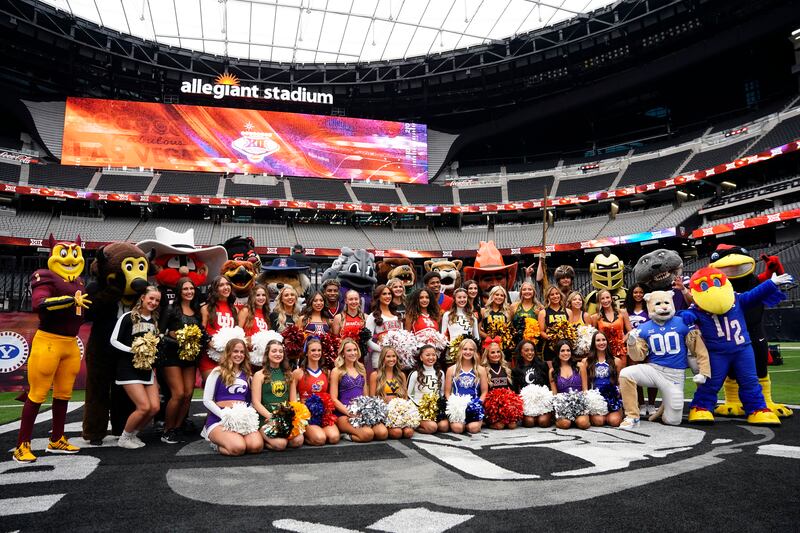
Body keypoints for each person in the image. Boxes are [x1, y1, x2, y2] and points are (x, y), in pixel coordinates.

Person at [112, 286, 162, 449]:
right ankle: (124, 438)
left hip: (147, 370)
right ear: (143, 297)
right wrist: (133, 350)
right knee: (144, 407)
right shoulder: (128, 317)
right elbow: (114, 340)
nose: (153, 302)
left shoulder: (154, 321)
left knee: (154, 407)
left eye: (157, 300)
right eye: (151, 298)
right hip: (128, 368)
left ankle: (133, 434)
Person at [202, 338, 263, 456]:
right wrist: (224, 415)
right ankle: (217, 444)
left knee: (256, 446)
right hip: (219, 419)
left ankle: (233, 438)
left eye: (242, 352)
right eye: (235, 351)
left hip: (241, 420)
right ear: (228, 352)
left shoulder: (248, 376)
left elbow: (249, 401)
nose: (239, 355)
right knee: (238, 448)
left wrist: (245, 417)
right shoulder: (217, 372)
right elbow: (207, 400)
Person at [158, 277, 202, 444]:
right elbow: (160, 335)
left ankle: (177, 427)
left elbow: (201, 334)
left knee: (188, 394)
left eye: (191, 289)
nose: (189, 292)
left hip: (190, 358)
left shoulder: (197, 311)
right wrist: (177, 339)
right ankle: (167, 430)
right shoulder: (170, 309)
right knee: (178, 394)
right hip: (172, 357)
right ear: (179, 291)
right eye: (185, 289)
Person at [330, 339, 389, 442]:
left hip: (362, 412)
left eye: (355, 350)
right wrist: (349, 413)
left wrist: (369, 411)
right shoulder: (337, 371)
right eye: (349, 350)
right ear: (342, 353)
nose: (353, 353)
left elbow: (366, 396)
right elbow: (333, 399)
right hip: (344, 413)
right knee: (367, 434)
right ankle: (345, 435)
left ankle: (357, 430)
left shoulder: (361, 368)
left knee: (382, 433)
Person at [252, 340, 303, 451]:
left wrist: (291, 418)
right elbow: (256, 402)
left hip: (284, 416)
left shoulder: (289, 374)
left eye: (280, 351)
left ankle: (279, 438)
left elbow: (293, 401)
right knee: (280, 444)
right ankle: (265, 440)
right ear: (267, 354)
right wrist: (271, 417)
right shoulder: (259, 375)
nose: (278, 354)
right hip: (266, 417)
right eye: (274, 351)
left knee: (298, 441)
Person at [291, 337, 340, 446]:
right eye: (313, 350)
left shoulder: (327, 372)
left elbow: (331, 396)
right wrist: (300, 415)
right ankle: (305, 435)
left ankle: (314, 433)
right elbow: (293, 400)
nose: (316, 353)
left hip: (323, 414)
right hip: (307, 415)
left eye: (319, 350)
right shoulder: (298, 373)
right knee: (320, 439)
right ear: (307, 353)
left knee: (334, 437)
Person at [624, 282, 656, 416]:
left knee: (651, 374)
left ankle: (652, 404)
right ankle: (642, 404)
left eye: (641, 292)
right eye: (635, 292)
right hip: (633, 346)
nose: (638, 295)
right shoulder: (626, 310)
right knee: (636, 374)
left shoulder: (650, 309)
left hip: (649, 344)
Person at [445, 338, 488, 434]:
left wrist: (477, 405)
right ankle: (460, 422)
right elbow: (447, 393)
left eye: (471, 349)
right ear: (460, 350)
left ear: (475, 352)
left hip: (474, 406)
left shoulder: (480, 370)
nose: (468, 352)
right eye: (465, 349)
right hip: (458, 407)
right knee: (458, 429)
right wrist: (454, 405)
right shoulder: (451, 370)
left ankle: (477, 421)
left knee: (473, 429)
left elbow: (484, 391)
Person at [369, 346, 414, 439]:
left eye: (394, 356)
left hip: (398, 411)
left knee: (408, 432)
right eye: (388, 356)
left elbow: (405, 397)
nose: (392, 359)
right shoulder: (375, 375)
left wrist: (399, 409)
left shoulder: (401, 375)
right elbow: (372, 398)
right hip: (383, 411)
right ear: (382, 358)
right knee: (397, 433)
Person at [581, 331, 623, 427]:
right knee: (598, 421)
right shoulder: (586, 362)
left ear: (607, 342)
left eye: (603, 340)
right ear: (593, 343)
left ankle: (615, 413)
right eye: (598, 340)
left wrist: (618, 398)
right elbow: (584, 386)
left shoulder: (616, 361)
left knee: (614, 421)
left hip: (612, 398)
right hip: (596, 399)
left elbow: (620, 384)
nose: (601, 343)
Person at [199, 276, 237, 381]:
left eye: (227, 284)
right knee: (213, 391)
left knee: (227, 391)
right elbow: (201, 332)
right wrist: (212, 345)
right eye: (221, 285)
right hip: (210, 356)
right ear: (215, 289)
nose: (226, 287)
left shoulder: (235, 310)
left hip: (229, 358)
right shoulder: (206, 308)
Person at [407, 344, 449, 434]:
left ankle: (430, 423)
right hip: (419, 409)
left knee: (444, 427)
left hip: (435, 408)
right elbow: (408, 394)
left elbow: (441, 392)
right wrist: (420, 407)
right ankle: (415, 424)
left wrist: (438, 406)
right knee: (432, 427)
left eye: (433, 355)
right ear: (421, 358)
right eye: (427, 355)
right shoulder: (414, 374)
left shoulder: (441, 373)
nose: (431, 357)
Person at [549, 340, 590, 430]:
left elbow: (585, 389)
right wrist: (557, 410)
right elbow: (554, 395)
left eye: (568, 350)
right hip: (563, 406)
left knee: (583, 423)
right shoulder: (553, 371)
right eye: (562, 351)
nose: (566, 353)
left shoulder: (580, 366)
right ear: (557, 353)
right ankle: (564, 420)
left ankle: (577, 419)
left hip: (579, 404)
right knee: (565, 424)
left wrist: (585, 406)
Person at [511, 339, 552, 428]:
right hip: (528, 403)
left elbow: (549, 385)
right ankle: (533, 417)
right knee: (529, 422)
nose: (530, 353)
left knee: (543, 422)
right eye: (526, 350)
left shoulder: (543, 365)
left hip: (542, 401)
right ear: (521, 353)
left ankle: (544, 416)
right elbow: (515, 391)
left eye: (532, 350)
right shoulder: (516, 370)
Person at [365, 284, 403, 371]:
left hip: (395, 358)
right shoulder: (373, 316)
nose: (388, 296)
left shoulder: (397, 315)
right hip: (380, 358)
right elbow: (367, 340)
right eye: (384, 294)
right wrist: (383, 350)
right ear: (378, 297)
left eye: (389, 294)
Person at [592, 289, 633, 367]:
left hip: (621, 350)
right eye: (602, 298)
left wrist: (623, 339)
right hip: (605, 351)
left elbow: (630, 331)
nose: (605, 300)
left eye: (607, 297)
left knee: (622, 374)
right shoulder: (595, 317)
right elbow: (593, 336)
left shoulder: (622, 312)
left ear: (611, 299)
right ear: (599, 301)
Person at [483, 339, 515, 430]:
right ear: (487, 355)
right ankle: (488, 422)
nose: (496, 354)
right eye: (492, 352)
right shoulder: (484, 369)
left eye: (498, 352)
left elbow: (510, 389)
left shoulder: (506, 368)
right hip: (491, 406)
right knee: (499, 426)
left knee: (512, 425)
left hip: (505, 404)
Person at [538, 285, 569, 365]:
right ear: (548, 297)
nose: (555, 296)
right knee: (551, 372)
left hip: (565, 348)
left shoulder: (568, 312)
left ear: (560, 295)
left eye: (557, 294)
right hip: (549, 348)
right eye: (552, 294)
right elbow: (541, 332)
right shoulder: (543, 312)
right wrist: (553, 338)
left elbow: (570, 329)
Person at [238, 284, 272, 354]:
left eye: (263, 295)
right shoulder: (246, 311)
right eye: (258, 295)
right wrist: (247, 341)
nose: (261, 298)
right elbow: (237, 333)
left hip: (260, 355)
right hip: (247, 353)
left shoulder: (266, 315)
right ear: (252, 297)